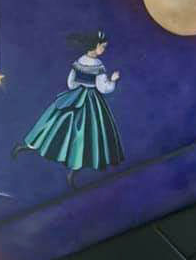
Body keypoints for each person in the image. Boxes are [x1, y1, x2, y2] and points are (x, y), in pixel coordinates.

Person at [12, 30, 124, 188]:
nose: (104, 50)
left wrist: (78, 89)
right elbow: (103, 88)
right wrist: (113, 80)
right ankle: (73, 173)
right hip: (91, 100)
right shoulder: (98, 65)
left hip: (74, 96)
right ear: (95, 45)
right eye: (103, 46)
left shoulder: (79, 61)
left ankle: (26, 147)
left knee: (54, 127)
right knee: (86, 137)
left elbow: (71, 83)